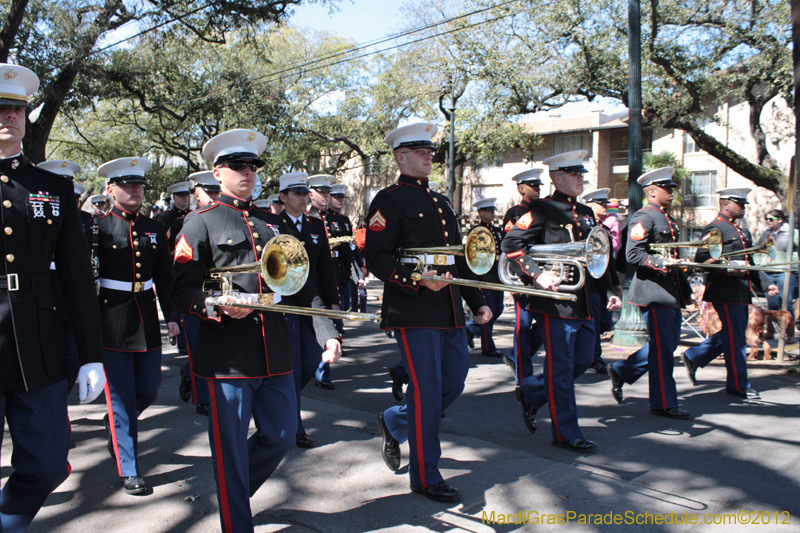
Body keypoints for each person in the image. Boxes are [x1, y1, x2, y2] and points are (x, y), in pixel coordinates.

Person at [172, 129, 300, 533]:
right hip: (226, 352)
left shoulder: (270, 222)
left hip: (273, 347)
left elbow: (296, 277)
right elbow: (181, 287)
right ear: (217, 172)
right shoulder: (200, 223)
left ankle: (233, 493)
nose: (248, 173)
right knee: (230, 451)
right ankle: (236, 522)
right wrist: (216, 305)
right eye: (238, 166)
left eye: (253, 166)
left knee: (280, 435)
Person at [0, 63, 105, 532]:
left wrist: (91, 356)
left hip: (37, 343)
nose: (9, 117)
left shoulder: (54, 189)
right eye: (0, 108)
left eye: (17, 109)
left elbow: (80, 279)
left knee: (46, 464)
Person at [367, 122, 492, 502]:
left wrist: (477, 300)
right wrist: (416, 280)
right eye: (420, 152)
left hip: (449, 308)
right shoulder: (388, 200)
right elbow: (375, 257)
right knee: (428, 393)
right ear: (400, 157)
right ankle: (425, 475)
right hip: (413, 309)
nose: (428, 157)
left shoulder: (441, 202)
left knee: (454, 381)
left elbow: (460, 258)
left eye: (430, 152)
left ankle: (395, 420)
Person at [502, 150, 620, 452]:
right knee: (562, 368)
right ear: (557, 177)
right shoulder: (541, 209)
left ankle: (531, 390)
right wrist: (537, 275)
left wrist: (611, 291)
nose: (581, 178)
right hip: (556, 301)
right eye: (574, 173)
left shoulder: (585, 212)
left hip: (584, 299)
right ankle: (567, 433)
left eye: (582, 173)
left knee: (582, 360)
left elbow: (598, 255)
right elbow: (512, 244)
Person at [94, 156, 180, 495]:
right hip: (111, 318)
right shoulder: (97, 226)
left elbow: (164, 276)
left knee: (149, 388)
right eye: (128, 185)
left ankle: (115, 422)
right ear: (110, 189)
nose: (135, 190)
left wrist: (171, 315)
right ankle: (129, 468)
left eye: (139, 184)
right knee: (122, 400)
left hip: (144, 316)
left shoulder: (154, 227)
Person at [607, 167, 693, 419]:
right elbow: (633, 253)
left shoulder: (666, 218)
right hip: (654, 293)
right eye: (668, 189)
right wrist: (660, 263)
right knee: (664, 351)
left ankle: (623, 370)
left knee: (666, 345)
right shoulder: (645, 217)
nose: (672, 193)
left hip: (670, 291)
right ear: (652, 191)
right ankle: (664, 403)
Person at [278, 171, 342, 448]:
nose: (304, 198)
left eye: (305, 193)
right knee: (292, 368)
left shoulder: (316, 225)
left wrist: (333, 301)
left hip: (313, 303)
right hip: (285, 305)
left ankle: (282, 407)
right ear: (283, 197)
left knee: (308, 362)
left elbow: (324, 267)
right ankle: (294, 425)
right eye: (297, 194)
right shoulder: (272, 225)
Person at [681, 188, 762, 399]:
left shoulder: (740, 230)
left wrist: (762, 285)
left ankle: (695, 355)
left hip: (740, 291)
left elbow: (749, 261)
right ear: (725, 204)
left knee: (732, 335)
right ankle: (738, 385)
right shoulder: (716, 228)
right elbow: (703, 258)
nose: (743, 208)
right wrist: (728, 271)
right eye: (739, 204)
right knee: (736, 339)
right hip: (725, 290)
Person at [37, 159, 92, 394]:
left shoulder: (85, 221)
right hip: (40, 300)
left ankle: (60, 401)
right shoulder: (33, 213)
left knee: (72, 358)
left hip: (68, 300)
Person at [177, 171, 220, 416]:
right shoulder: (191, 221)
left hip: (223, 294)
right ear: (197, 194)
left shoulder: (227, 219)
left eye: (217, 191)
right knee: (198, 347)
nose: (215, 196)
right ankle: (203, 397)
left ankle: (187, 370)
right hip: (198, 294)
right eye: (209, 192)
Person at [502, 169, 544, 389]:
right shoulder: (515, 213)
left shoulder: (545, 210)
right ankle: (523, 375)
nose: (537, 190)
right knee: (523, 327)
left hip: (545, 276)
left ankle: (514, 355)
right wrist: (513, 281)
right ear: (521, 188)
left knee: (545, 325)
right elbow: (508, 247)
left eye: (539, 187)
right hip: (523, 277)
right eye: (533, 187)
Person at [579, 188, 622, 374]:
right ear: (590, 205)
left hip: (600, 284)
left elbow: (608, 260)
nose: (605, 207)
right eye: (601, 204)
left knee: (600, 323)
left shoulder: (603, 229)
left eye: (606, 204)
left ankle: (593, 357)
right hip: (585, 282)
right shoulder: (582, 226)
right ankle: (591, 357)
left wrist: (615, 283)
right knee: (591, 324)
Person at [306, 174, 340, 388]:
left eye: (329, 193)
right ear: (312, 195)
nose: (326, 197)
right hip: (308, 286)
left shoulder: (337, 220)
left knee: (329, 327)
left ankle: (323, 371)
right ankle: (315, 369)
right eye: (322, 193)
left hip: (330, 279)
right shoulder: (307, 219)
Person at [465, 198, 505, 357]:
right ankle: (488, 346)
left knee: (498, 309)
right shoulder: (476, 231)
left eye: (493, 210)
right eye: (488, 211)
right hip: (484, 275)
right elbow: (472, 255)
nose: (492, 213)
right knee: (491, 310)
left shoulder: (496, 230)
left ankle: (470, 328)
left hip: (497, 274)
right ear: (480, 213)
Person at [758, 209, 797, 313]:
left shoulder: (792, 232)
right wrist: (758, 264)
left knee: (786, 303)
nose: (768, 221)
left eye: (771, 219)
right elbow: (757, 249)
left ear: (780, 220)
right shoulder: (765, 233)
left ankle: (787, 329)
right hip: (767, 272)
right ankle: (772, 329)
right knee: (772, 303)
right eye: (766, 219)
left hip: (785, 272)